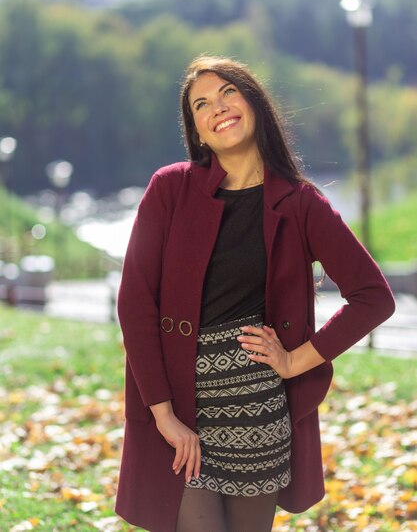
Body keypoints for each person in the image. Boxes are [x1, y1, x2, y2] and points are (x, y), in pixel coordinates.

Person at [115, 55, 395, 532]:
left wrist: (296, 360)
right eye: (201, 104)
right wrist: (161, 413)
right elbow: (135, 303)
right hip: (178, 410)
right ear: (198, 130)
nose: (217, 107)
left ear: (254, 104)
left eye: (228, 92)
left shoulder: (301, 203)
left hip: (257, 412)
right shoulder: (169, 189)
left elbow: (373, 297)